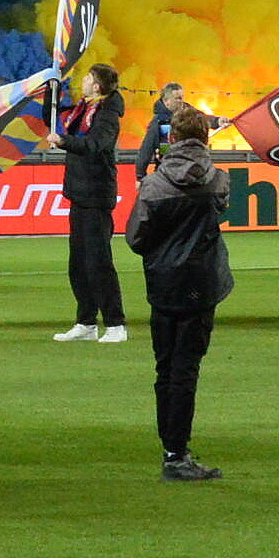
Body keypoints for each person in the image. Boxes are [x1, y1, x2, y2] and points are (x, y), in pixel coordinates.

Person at [126, 100, 232, 480]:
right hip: (201, 283)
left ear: (172, 137)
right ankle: (176, 452)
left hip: (164, 283)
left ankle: (171, 448)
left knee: (166, 367)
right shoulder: (217, 179)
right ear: (205, 138)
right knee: (187, 369)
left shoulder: (154, 184)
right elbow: (220, 208)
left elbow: (135, 238)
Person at [54, 62, 128, 344]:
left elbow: (95, 145)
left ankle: (116, 324)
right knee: (78, 264)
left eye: (88, 78)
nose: (82, 81)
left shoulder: (107, 115)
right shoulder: (84, 108)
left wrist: (63, 142)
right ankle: (86, 321)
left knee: (99, 263)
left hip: (96, 195)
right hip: (79, 192)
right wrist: (51, 90)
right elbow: (57, 115)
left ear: (97, 86)